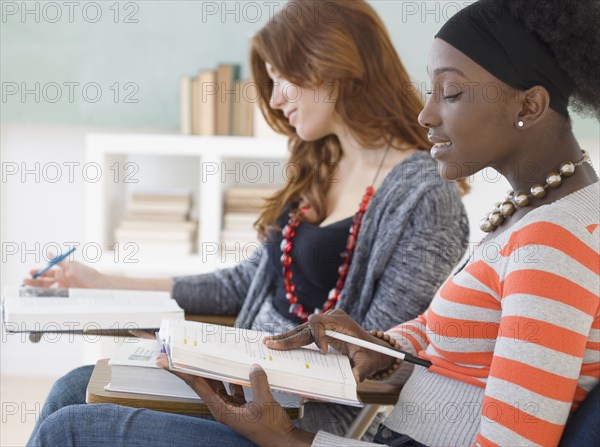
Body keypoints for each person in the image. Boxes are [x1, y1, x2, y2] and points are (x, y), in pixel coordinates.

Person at [29, 0, 599, 445]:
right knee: (76, 391)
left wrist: (291, 439)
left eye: (449, 92)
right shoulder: (534, 219)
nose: (428, 112)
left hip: (317, 417)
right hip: (294, 398)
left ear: (528, 105)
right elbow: (439, 339)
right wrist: (381, 342)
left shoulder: (546, 241)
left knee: (69, 425)